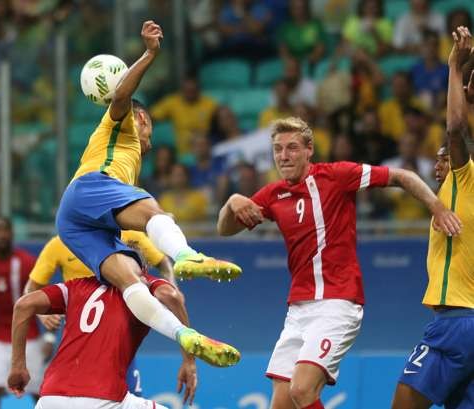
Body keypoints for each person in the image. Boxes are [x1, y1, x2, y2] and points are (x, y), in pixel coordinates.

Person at [215, 117, 461, 409]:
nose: (284, 155)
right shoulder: (273, 194)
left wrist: (437, 208)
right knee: (281, 403)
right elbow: (225, 229)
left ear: (309, 150)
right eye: (278, 149)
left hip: (337, 303)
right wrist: (232, 201)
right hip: (298, 309)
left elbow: (402, 176)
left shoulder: (337, 176)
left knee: (302, 390)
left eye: (292, 148)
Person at [55, 20, 241, 365]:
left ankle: (184, 335)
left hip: (72, 221)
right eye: (151, 127)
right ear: (140, 118)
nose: (152, 139)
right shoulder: (122, 122)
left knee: (132, 283)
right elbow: (123, 94)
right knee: (155, 213)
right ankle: (186, 256)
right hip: (90, 187)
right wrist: (150, 53)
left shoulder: (126, 154)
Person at [391, 26, 474, 409]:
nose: (440, 163)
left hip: (456, 324)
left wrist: (455, 67)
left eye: (445, 157)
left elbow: (456, 130)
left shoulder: (465, 180)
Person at [7, 256, 197, 408]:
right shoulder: (143, 283)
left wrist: (17, 367)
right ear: (143, 266)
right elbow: (172, 296)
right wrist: (188, 360)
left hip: (50, 398)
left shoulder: (74, 286)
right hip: (105, 399)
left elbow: (24, 305)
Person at [24, 231, 177, 397]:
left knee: (127, 394)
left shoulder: (131, 236)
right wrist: (43, 315)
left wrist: (172, 287)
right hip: (79, 335)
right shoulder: (59, 244)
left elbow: (163, 264)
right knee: (81, 396)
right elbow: (31, 288)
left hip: (119, 331)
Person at [0, 217, 47, 409]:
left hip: (29, 337)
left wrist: (49, 338)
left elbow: (46, 299)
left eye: (5, 230)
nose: (1, 235)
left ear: (12, 233)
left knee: (41, 395)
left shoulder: (28, 262)